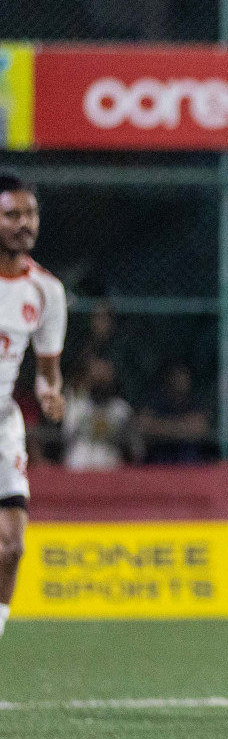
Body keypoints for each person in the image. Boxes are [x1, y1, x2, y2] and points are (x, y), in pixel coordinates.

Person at [0, 172, 66, 641]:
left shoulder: (46, 291)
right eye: (11, 215)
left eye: (30, 213)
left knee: (11, 546)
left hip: (3, 424)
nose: (24, 224)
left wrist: (49, 394)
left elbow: (47, 370)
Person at [62, 355, 137, 469]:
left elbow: (134, 447)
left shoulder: (121, 409)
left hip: (109, 459)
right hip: (79, 459)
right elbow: (67, 432)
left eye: (104, 379)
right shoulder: (76, 404)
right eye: (96, 378)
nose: (100, 382)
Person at [138, 361, 210, 463]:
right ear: (168, 379)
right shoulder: (156, 401)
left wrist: (162, 427)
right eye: (177, 376)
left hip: (189, 464)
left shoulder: (193, 404)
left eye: (184, 376)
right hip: (160, 463)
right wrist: (181, 427)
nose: (181, 380)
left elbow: (199, 427)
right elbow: (143, 425)